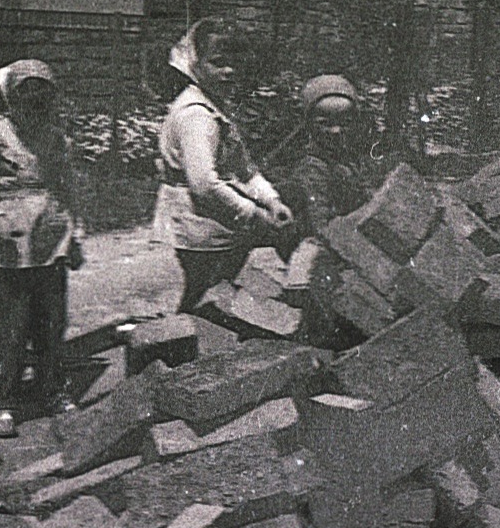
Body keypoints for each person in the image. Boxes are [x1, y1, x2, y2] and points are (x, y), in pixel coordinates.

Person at [0, 59, 84, 423]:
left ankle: (52, 390)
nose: (35, 110)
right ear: (11, 102)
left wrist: (75, 234)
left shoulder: (56, 140)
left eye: (42, 102)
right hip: (10, 247)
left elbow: (68, 189)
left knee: (51, 321)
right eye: (26, 101)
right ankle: (7, 399)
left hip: (50, 241)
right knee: (12, 324)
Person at [157, 17, 294, 313]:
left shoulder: (214, 106)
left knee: (213, 291)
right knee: (207, 294)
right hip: (198, 224)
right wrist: (254, 213)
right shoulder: (196, 115)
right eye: (218, 63)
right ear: (194, 64)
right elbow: (204, 184)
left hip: (216, 221)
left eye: (235, 63)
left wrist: (271, 199)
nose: (229, 71)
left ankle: (193, 340)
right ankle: (183, 346)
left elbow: (244, 167)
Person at [280, 74, 374, 238]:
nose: (336, 131)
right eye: (325, 123)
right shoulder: (312, 167)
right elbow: (320, 226)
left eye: (345, 122)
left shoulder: (347, 159)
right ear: (308, 125)